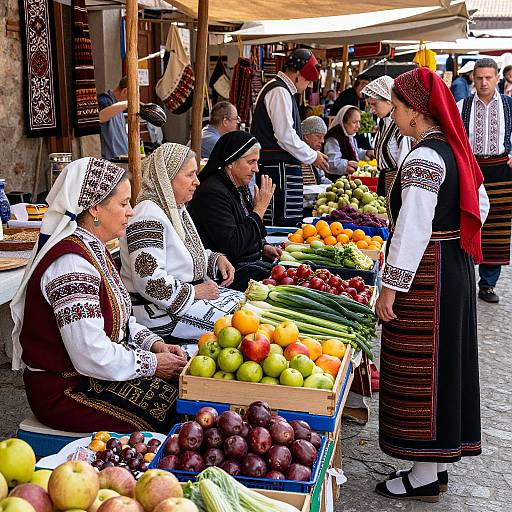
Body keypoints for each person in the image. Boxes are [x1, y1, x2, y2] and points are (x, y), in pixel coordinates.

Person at [374, 68, 489, 502]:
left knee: (423, 366)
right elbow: (482, 204)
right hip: (452, 266)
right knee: (444, 364)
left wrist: (391, 285)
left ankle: (424, 474)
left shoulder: (424, 157)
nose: (396, 116)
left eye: (398, 108)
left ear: (415, 114)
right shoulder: (451, 149)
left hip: (428, 272)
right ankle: (434, 465)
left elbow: (412, 227)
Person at [10, 158, 188, 433]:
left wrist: (154, 345)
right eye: (123, 203)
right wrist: (152, 364)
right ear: (95, 207)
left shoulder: (95, 249)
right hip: (66, 390)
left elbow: (121, 321)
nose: (130, 212)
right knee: (173, 414)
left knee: (186, 394)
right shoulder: (71, 264)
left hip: (92, 376)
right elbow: (90, 353)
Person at [120, 143, 242, 348]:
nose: (197, 182)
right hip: (159, 315)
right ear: (167, 178)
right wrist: (195, 293)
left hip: (180, 303)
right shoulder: (147, 217)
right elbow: (150, 282)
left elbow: (184, 254)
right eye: (190, 175)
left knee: (248, 306)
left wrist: (215, 259)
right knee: (238, 328)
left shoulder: (174, 209)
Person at [188, 131, 281, 292]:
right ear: (231, 162)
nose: (256, 169)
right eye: (251, 162)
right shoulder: (212, 192)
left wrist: (262, 246)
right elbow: (233, 246)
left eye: (257, 162)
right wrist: (259, 210)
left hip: (248, 265)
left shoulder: (237, 186)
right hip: (228, 275)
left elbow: (244, 225)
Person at [251, 48, 329, 226]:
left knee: (287, 221)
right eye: (308, 80)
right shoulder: (279, 91)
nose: (309, 85)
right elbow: (285, 135)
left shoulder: (280, 89)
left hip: (280, 168)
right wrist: (312, 156)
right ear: (297, 75)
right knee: (279, 223)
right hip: (277, 169)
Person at [458, 57, 512, 304]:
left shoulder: (510, 105)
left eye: (488, 77)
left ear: (497, 78)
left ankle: (488, 285)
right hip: (472, 170)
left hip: (501, 170)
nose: (483, 82)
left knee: (497, 229)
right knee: (470, 219)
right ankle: (466, 277)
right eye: (479, 78)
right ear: (473, 78)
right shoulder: (462, 106)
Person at [361, 76, 411, 196]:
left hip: (396, 183)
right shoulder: (383, 122)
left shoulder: (400, 125)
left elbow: (404, 159)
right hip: (384, 179)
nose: (372, 110)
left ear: (389, 100)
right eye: (370, 105)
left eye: (374, 104)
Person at [324, 106, 372, 180]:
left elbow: (355, 152)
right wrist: (347, 164)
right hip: (336, 182)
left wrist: (366, 153)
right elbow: (332, 163)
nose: (358, 126)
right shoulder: (333, 139)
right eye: (354, 122)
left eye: (359, 122)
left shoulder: (350, 136)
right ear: (343, 122)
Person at [98, 77, 129, 160]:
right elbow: (101, 116)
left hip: (124, 156)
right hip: (112, 160)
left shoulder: (120, 104)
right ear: (125, 91)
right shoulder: (104, 100)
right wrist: (127, 103)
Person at [301, 116, 331, 186]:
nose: (322, 141)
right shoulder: (296, 153)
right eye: (318, 136)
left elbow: (322, 179)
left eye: (323, 137)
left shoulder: (317, 155)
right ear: (306, 136)